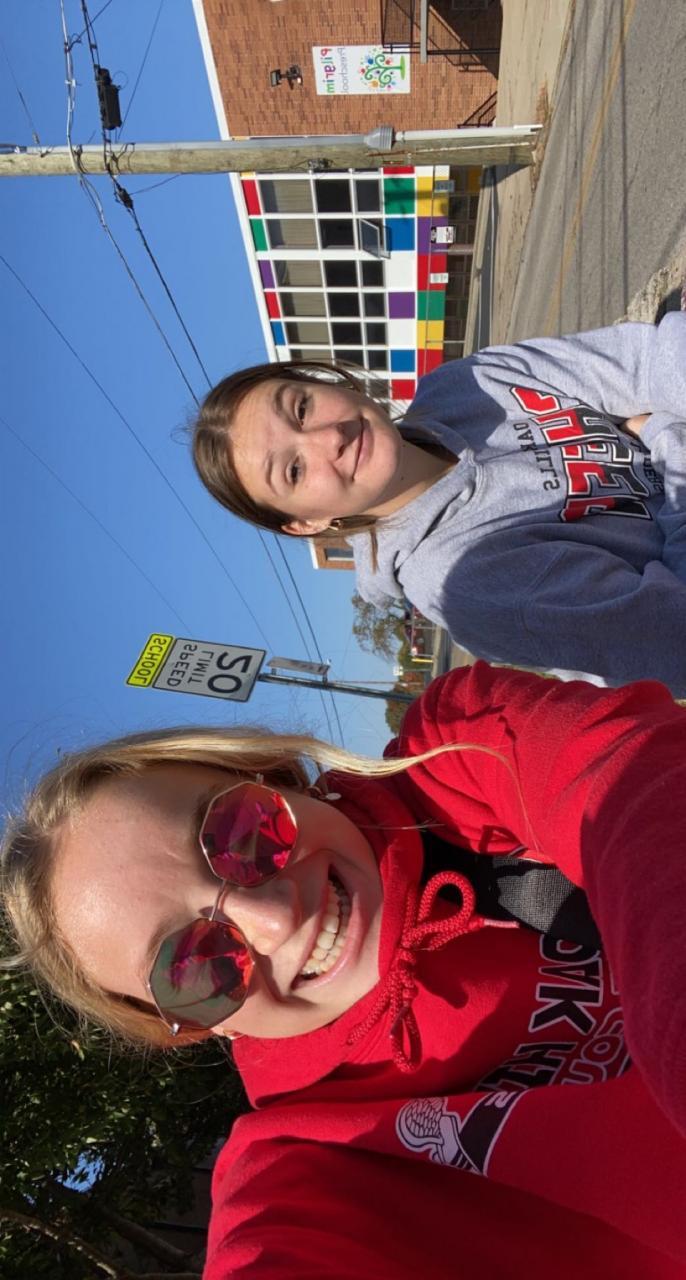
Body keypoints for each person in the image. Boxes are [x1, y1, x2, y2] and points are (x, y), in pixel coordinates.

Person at [3, 661, 686, 1278]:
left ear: (271, 777)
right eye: (191, 964)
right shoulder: (305, 1167)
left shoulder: (466, 742)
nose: (274, 918)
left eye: (236, 831)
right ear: (193, 1027)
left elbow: (636, 782)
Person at [192, 312, 686, 694]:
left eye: (302, 406)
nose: (329, 437)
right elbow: (674, 637)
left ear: (326, 382)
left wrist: (657, 429)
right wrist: (662, 434)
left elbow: (651, 358)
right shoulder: (466, 582)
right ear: (307, 523)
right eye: (294, 470)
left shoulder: (462, 385)